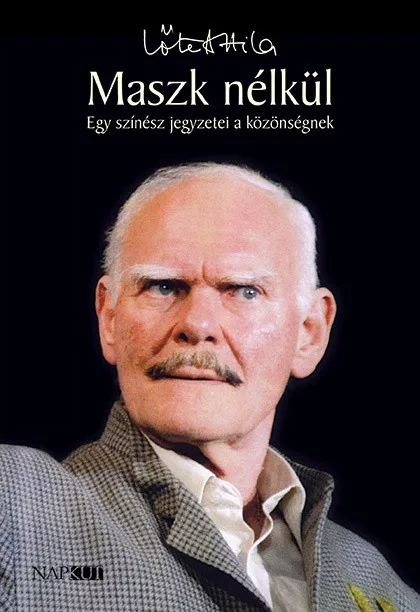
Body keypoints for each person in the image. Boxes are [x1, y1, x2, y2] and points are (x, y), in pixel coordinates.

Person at [0, 162, 418, 612]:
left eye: (244, 291)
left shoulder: (377, 581)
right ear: (109, 319)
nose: (197, 324)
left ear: (309, 333)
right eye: (162, 286)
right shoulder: (16, 509)